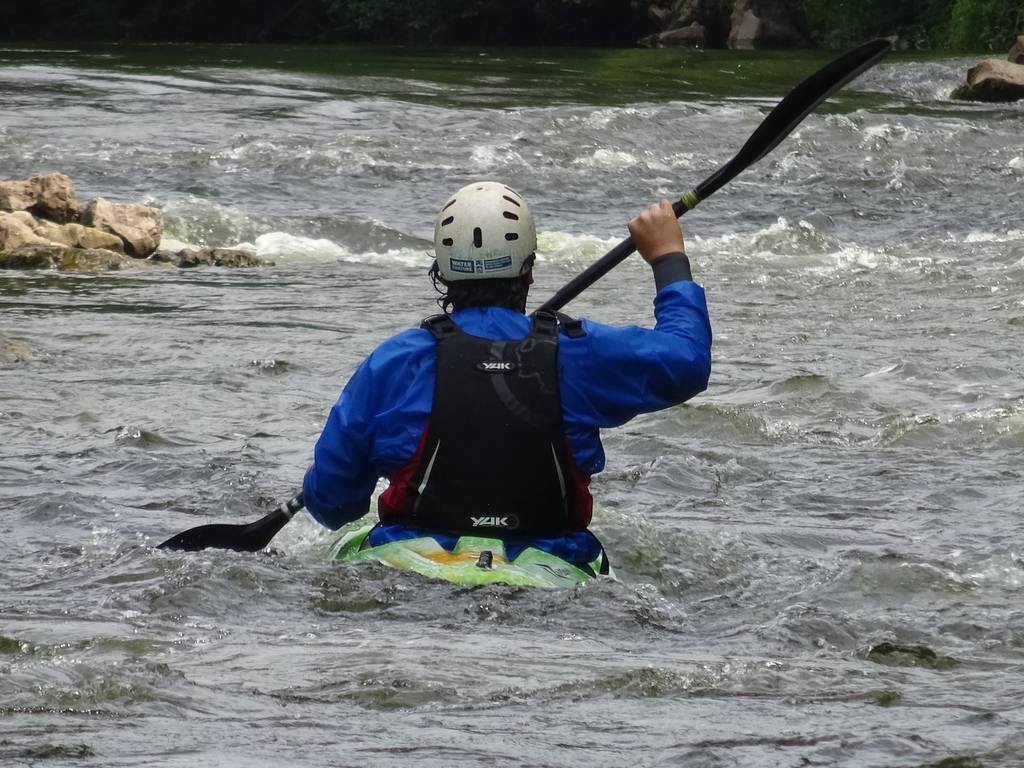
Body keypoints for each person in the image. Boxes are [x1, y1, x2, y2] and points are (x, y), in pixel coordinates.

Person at [302, 181, 711, 571]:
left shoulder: (393, 362)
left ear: (442, 272)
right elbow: (687, 360)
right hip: (551, 564)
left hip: (409, 565)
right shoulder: (576, 351)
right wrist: (667, 257)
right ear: (529, 270)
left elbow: (335, 502)